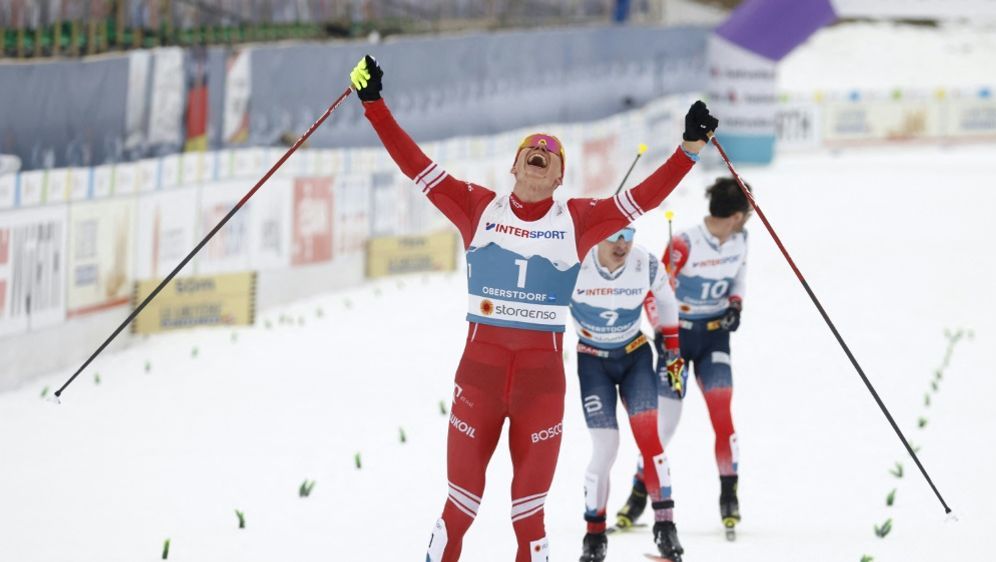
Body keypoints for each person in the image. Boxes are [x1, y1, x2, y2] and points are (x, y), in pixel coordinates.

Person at [349, 55, 718, 562]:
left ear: (560, 175)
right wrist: (374, 105)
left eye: (550, 152)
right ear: (515, 166)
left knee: (529, 518)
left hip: (540, 385)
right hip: (479, 377)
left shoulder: (580, 219)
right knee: (459, 508)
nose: (540, 150)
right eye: (531, 149)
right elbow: (415, 165)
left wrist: (688, 150)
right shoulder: (478, 208)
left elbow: (642, 199)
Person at [617, 177, 750, 539]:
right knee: (665, 427)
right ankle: (638, 495)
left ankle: (728, 497)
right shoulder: (684, 243)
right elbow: (651, 292)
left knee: (722, 414)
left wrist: (735, 306)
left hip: (714, 338)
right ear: (737, 215)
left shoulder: (741, 239)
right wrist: (662, 330)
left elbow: (739, 276)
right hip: (678, 341)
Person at [569, 226, 687, 562]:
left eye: (628, 236)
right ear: (596, 237)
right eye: (614, 237)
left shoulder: (645, 263)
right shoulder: (574, 264)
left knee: (649, 440)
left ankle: (665, 528)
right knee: (606, 448)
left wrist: (672, 347)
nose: (622, 245)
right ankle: (594, 536)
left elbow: (666, 301)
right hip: (593, 363)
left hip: (634, 356)